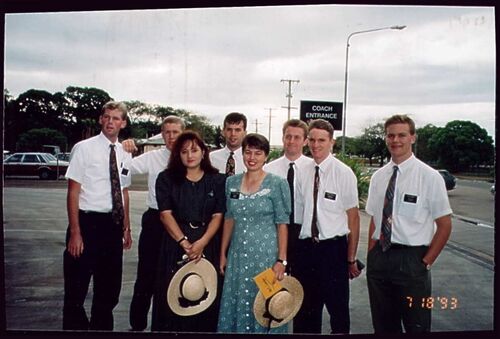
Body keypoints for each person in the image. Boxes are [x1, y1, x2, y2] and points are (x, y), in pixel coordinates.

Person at [365, 114, 452, 333]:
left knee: (417, 326)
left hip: (412, 261)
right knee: (383, 327)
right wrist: (371, 253)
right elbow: (376, 220)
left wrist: (425, 263)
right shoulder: (378, 177)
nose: (396, 140)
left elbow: (444, 225)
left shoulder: (430, 177)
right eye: (391, 135)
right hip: (380, 259)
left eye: (402, 135)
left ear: (413, 138)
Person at [63, 101, 132, 331]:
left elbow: (123, 190)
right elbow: (73, 191)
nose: (111, 121)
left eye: (116, 118)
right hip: (86, 223)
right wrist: (75, 232)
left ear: (123, 123)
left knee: (108, 294)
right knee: (76, 292)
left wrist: (126, 227)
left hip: (112, 227)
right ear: (101, 119)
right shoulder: (84, 148)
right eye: (107, 117)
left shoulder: (124, 152)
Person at [152, 131, 226, 332]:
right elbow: (165, 214)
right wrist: (184, 243)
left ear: (204, 152)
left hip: (207, 244)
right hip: (175, 245)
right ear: (178, 155)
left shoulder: (218, 180)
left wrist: (202, 242)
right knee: (173, 299)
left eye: (194, 150)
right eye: (184, 151)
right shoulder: (166, 178)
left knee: (203, 297)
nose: (190, 155)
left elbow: (218, 216)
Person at [217, 133, 291, 334]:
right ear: (242, 154)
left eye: (258, 153)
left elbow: (282, 223)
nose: (252, 157)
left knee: (267, 308)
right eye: (248, 152)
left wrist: (281, 260)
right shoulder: (231, 183)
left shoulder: (277, 183)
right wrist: (223, 253)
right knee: (237, 303)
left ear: (266, 156)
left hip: (266, 258)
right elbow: (229, 218)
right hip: (238, 257)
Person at [293, 119, 361, 334]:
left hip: (333, 251)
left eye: (321, 140)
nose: (316, 145)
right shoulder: (302, 171)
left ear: (331, 142)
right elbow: (298, 215)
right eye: (311, 140)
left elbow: (354, 219)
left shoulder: (343, 173)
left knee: (338, 312)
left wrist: (350, 259)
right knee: (305, 312)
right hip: (306, 250)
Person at [125, 116, 185, 331]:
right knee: (146, 273)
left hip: (182, 223)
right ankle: (137, 323)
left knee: (177, 275)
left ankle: (170, 323)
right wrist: (124, 149)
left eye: (175, 132)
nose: (171, 137)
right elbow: (126, 168)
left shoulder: (191, 157)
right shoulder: (152, 157)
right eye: (167, 132)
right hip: (155, 220)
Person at [264, 119, 313, 275]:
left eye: (297, 137)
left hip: (304, 234)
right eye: (288, 136)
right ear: (283, 138)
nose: (291, 141)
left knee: (302, 285)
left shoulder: (313, 168)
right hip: (276, 232)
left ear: (305, 141)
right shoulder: (269, 169)